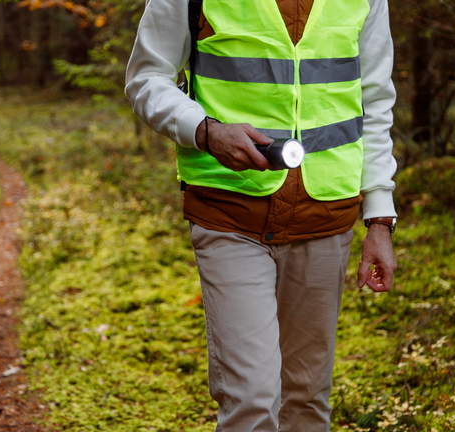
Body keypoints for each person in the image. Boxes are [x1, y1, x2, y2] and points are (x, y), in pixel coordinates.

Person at [125, 0, 397, 430]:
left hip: (325, 216)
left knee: (307, 398)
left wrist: (379, 218)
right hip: (229, 214)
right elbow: (146, 78)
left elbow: (376, 102)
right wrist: (206, 131)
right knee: (250, 399)